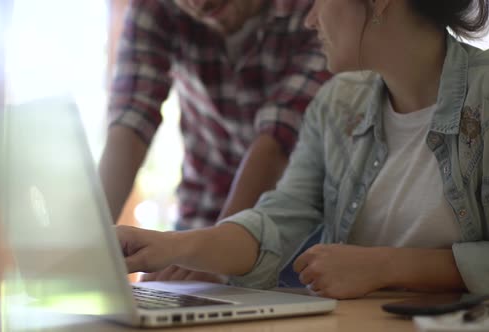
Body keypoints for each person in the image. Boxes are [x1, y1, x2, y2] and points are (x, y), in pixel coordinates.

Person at [116, 0, 489, 299]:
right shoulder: (336, 105)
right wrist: (169, 246)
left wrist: (387, 266)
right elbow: (276, 221)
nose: (309, 19)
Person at [100, 0, 330, 281]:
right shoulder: (154, 6)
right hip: (201, 213)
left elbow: (278, 139)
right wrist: (88, 242)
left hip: (296, 231)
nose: (197, 3)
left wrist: (215, 255)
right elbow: (131, 120)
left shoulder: (315, 11)